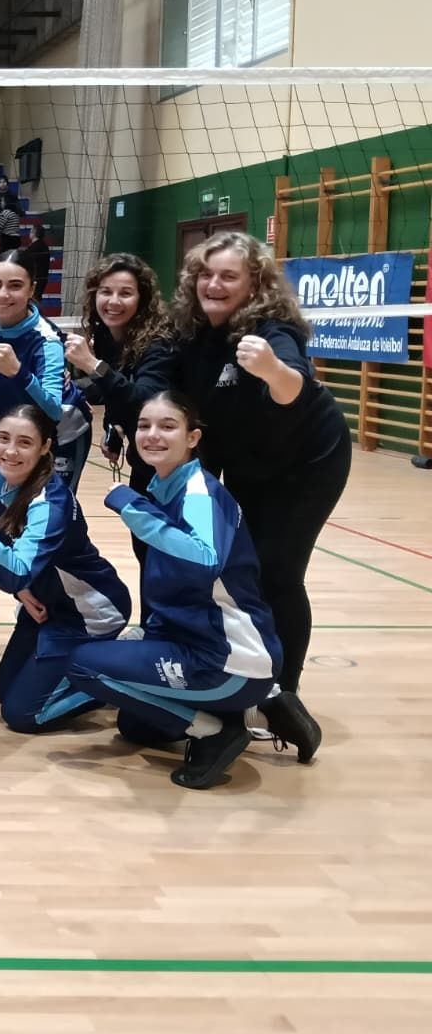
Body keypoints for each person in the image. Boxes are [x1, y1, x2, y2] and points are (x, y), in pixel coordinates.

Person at [137, 232, 345, 756]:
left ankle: (283, 697)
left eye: (228, 275)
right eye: (205, 274)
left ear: (255, 283)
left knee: (278, 572)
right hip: (246, 460)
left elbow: (294, 384)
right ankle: (238, 676)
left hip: (305, 462)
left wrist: (271, 368)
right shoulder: (192, 332)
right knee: (238, 569)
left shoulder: (272, 329)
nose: (213, 283)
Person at [71, 391, 286, 790]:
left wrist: (136, 510)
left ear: (193, 438)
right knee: (138, 726)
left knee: (84, 664)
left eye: (167, 426)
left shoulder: (198, 493)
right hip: (197, 646)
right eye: (144, 426)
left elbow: (205, 559)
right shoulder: (167, 486)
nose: (152, 435)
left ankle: (216, 731)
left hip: (227, 660)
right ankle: (267, 709)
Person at [0, 404, 131, 733]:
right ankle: (84, 663)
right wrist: (24, 591)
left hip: (88, 613)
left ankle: (119, 674)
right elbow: (5, 551)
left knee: (23, 715)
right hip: (44, 604)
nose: (10, 451)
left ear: (45, 448)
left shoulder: (50, 505)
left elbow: (13, 571)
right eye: (3, 438)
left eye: (24, 442)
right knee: (6, 688)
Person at [62, 253, 174, 591]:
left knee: (165, 551)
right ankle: (154, 627)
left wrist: (91, 364)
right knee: (144, 545)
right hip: (147, 457)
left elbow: (146, 398)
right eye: (105, 291)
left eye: (125, 293)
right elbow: (116, 391)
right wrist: (113, 427)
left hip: (177, 462)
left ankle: (170, 630)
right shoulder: (110, 334)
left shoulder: (160, 340)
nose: (113, 301)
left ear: (142, 298)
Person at [0, 248, 90, 490]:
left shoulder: (45, 341)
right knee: (9, 508)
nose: (3, 295)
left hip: (60, 435)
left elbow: (54, 410)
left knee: (54, 511)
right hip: (16, 432)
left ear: (32, 289)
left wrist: (19, 372)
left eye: (15, 286)